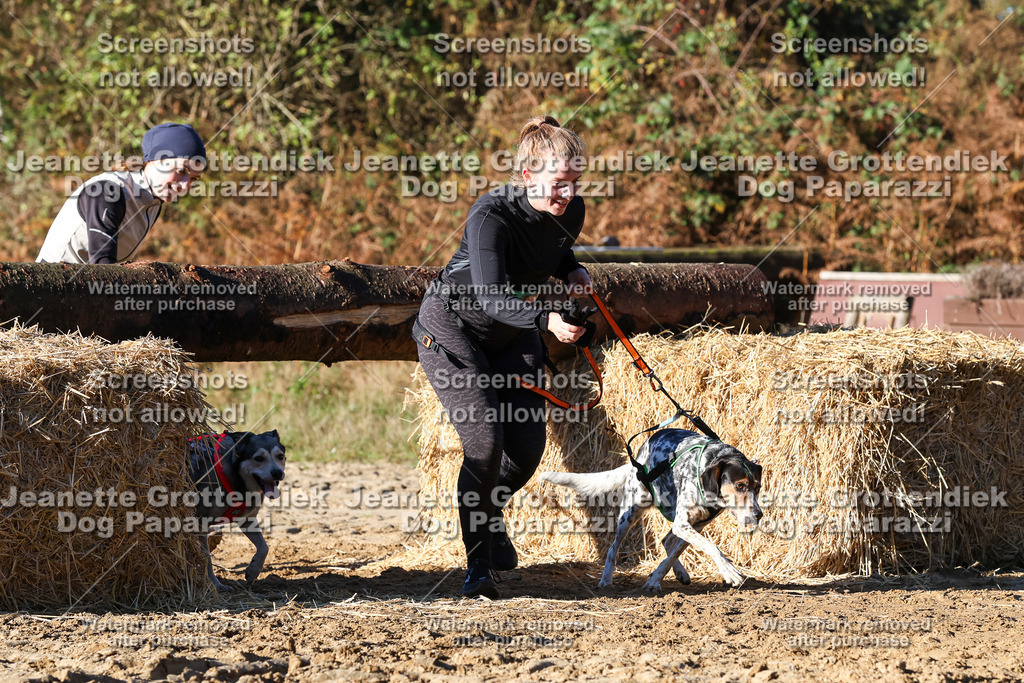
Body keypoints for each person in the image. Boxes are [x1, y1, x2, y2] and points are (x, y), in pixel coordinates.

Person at [413, 115, 592, 598]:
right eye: (559, 184)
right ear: (528, 175)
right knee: (486, 443)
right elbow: (492, 297)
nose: (568, 196)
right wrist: (546, 323)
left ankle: (486, 514)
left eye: (575, 184)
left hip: (512, 333)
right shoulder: (490, 214)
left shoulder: (570, 213)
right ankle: (478, 570)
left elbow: (552, 249)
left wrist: (573, 271)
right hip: (453, 329)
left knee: (527, 449)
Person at [36, 122, 206, 264]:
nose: (185, 186)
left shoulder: (154, 202)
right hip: (45, 291)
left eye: (193, 179)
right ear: (154, 160)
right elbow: (103, 271)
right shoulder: (108, 192)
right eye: (182, 170)